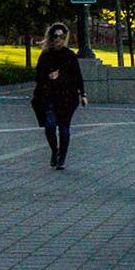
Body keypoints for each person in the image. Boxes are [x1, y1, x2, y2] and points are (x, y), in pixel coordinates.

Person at [31, 23, 86, 170]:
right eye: (56, 36)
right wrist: (49, 76)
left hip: (67, 97)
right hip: (49, 96)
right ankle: (54, 150)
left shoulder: (70, 55)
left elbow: (77, 76)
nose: (58, 39)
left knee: (64, 128)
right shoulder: (46, 55)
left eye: (62, 36)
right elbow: (37, 76)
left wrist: (83, 94)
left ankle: (62, 157)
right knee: (49, 126)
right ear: (51, 37)